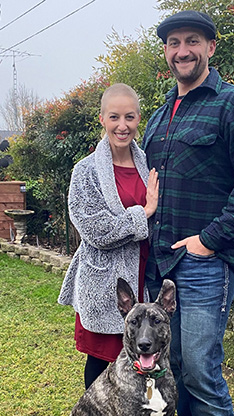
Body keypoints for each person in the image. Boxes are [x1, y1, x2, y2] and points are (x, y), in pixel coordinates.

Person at [142, 10, 234, 416]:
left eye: (192, 41)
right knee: (175, 370)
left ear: (211, 48)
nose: (182, 51)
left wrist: (210, 239)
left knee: (201, 374)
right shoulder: (158, 116)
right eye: (174, 43)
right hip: (160, 264)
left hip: (204, 265)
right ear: (166, 52)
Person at [58, 83, 159, 389]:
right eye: (114, 117)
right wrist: (144, 212)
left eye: (129, 117)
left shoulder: (146, 164)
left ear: (138, 118)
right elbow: (93, 229)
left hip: (144, 274)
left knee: (142, 359)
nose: (122, 125)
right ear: (102, 118)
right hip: (106, 283)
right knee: (103, 363)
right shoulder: (86, 171)